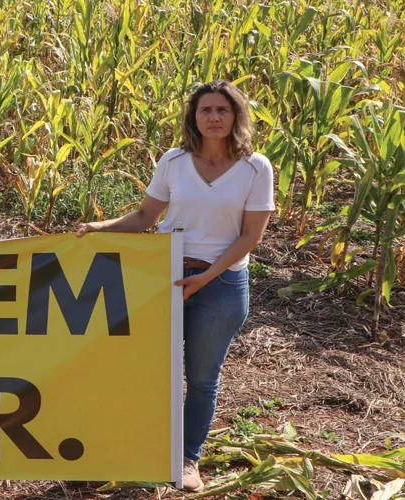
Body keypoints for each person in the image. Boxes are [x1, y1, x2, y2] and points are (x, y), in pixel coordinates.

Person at [75, 80, 274, 491]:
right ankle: (131, 449)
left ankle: (186, 459)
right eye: (206, 111)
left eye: (222, 109)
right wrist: (102, 226)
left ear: (236, 115)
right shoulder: (173, 161)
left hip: (221, 283)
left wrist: (206, 276)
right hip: (163, 276)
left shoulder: (257, 167)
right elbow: (146, 216)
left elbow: (250, 236)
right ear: (194, 117)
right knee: (143, 369)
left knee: (202, 377)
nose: (214, 117)